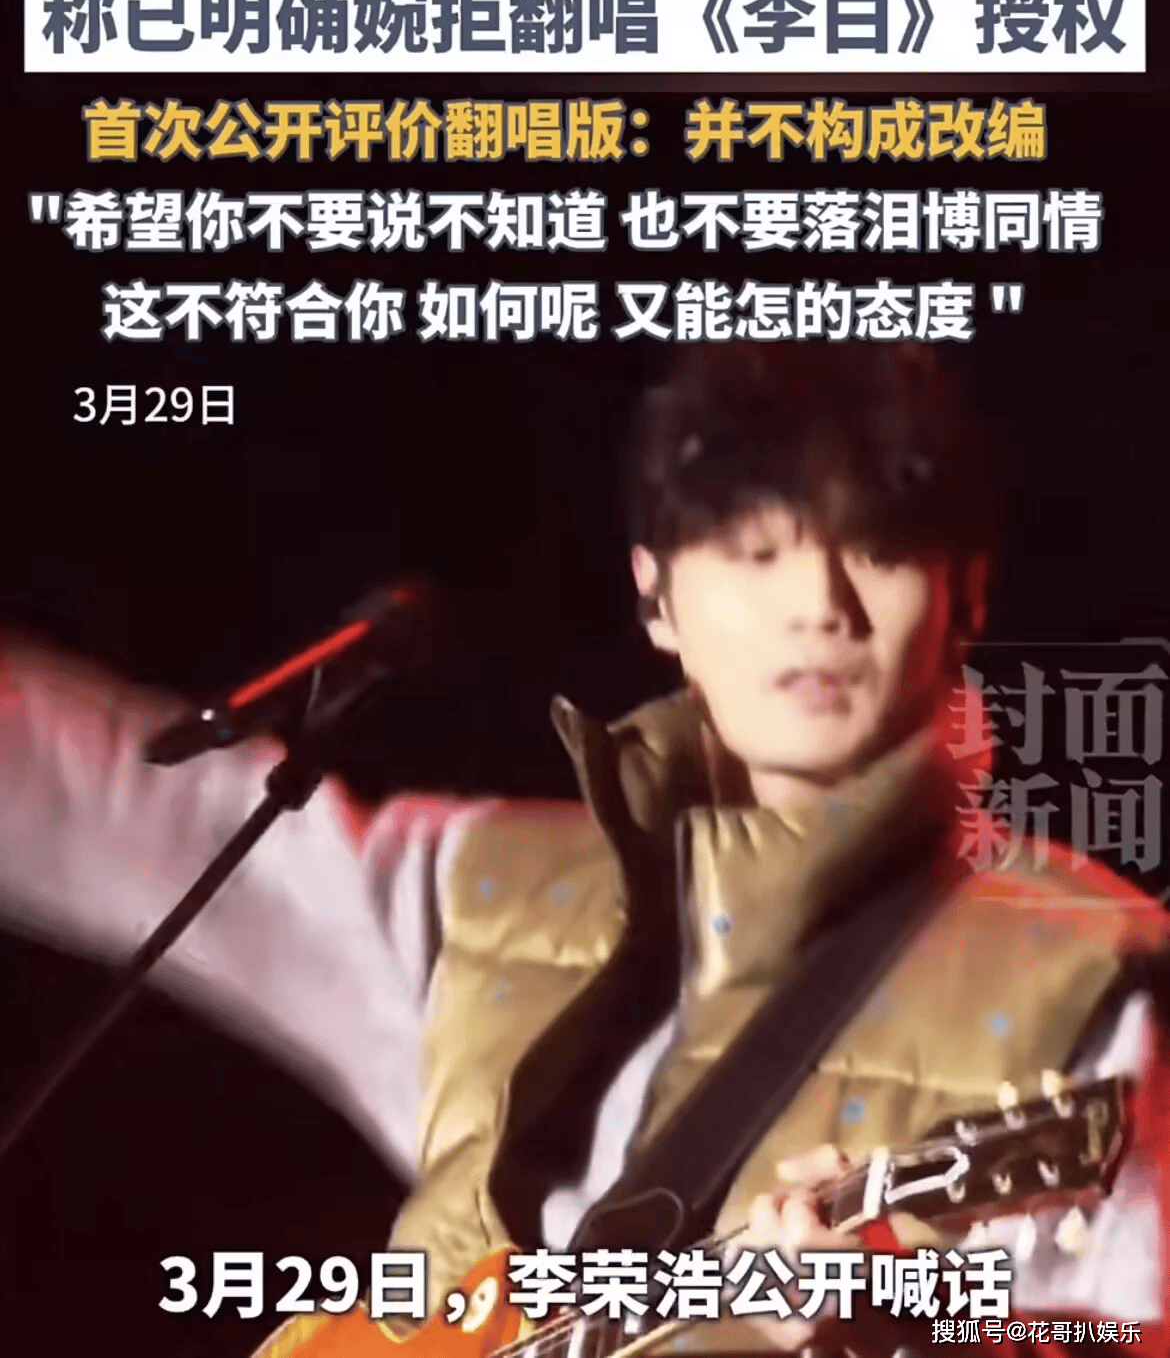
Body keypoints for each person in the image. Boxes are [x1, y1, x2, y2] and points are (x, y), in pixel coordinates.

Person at [0, 344, 1165, 1358]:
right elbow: (125, 812)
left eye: (876, 546)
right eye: (755, 547)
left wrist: (908, 1336)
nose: (817, 603)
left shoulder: (1087, 971)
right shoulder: (481, 888)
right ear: (654, 594)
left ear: (968, 594)